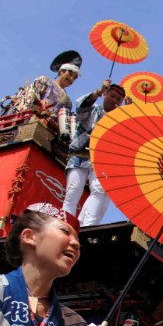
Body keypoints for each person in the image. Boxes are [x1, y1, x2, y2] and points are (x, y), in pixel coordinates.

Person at [61, 82, 129, 227]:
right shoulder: (92, 111)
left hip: (99, 161)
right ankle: (64, 225)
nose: (115, 100)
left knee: (99, 190)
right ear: (105, 95)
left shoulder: (118, 122)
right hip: (79, 156)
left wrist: (129, 114)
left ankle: (87, 226)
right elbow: (80, 107)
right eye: (112, 96)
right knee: (73, 191)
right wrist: (98, 91)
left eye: (118, 99)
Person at [3, 50, 81, 116]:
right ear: (62, 71)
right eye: (70, 74)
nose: (71, 79)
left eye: (74, 77)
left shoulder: (68, 102)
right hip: (31, 116)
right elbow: (30, 98)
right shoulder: (44, 81)